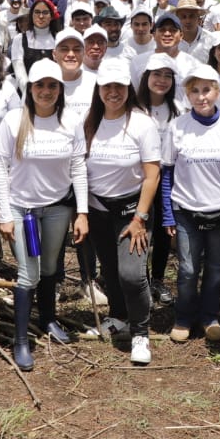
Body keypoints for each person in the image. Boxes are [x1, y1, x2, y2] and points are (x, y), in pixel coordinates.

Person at [0, 58, 89, 371]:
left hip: (58, 207)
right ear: (29, 88)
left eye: (52, 85)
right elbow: (0, 170)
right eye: (39, 85)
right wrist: (5, 213)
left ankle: (47, 319)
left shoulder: (70, 122)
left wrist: (82, 212)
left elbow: (78, 168)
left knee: (49, 268)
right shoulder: (13, 121)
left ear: (60, 89)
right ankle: (21, 340)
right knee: (28, 273)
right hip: (23, 210)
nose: (45, 91)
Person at [82, 58, 162, 365]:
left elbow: (152, 175)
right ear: (99, 89)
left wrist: (140, 218)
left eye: (119, 86)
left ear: (128, 88)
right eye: (107, 86)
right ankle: (118, 316)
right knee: (110, 270)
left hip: (132, 210)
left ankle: (140, 331)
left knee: (131, 273)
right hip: (98, 208)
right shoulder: (89, 121)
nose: (113, 92)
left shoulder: (142, 123)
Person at [161, 64, 220, 345]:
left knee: (216, 267)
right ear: (187, 94)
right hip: (186, 211)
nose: (201, 96)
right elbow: (167, 171)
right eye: (194, 91)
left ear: (217, 92)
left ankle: (209, 317)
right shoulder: (177, 126)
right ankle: (183, 318)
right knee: (188, 269)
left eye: (206, 90)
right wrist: (168, 215)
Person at [138, 54, 180, 305]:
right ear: (146, 77)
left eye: (167, 76)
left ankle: (158, 279)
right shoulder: (134, 107)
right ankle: (140, 280)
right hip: (139, 178)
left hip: (166, 177)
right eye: (157, 74)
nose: (162, 81)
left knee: (164, 232)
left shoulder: (176, 108)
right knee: (143, 228)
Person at [12, 0, 59, 89]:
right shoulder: (19, 39)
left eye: (45, 12)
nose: (41, 16)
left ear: (52, 16)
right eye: (37, 12)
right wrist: (28, 93)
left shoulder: (59, 39)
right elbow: (19, 71)